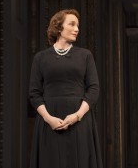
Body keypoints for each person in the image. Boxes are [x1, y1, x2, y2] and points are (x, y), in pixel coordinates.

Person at [29, 9, 103, 168]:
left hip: (79, 121)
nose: (77, 29)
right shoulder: (41, 58)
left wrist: (77, 116)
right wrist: (49, 119)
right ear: (58, 27)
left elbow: (94, 89)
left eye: (78, 25)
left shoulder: (85, 55)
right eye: (72, 24)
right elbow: (34, 93)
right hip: (49, 121)